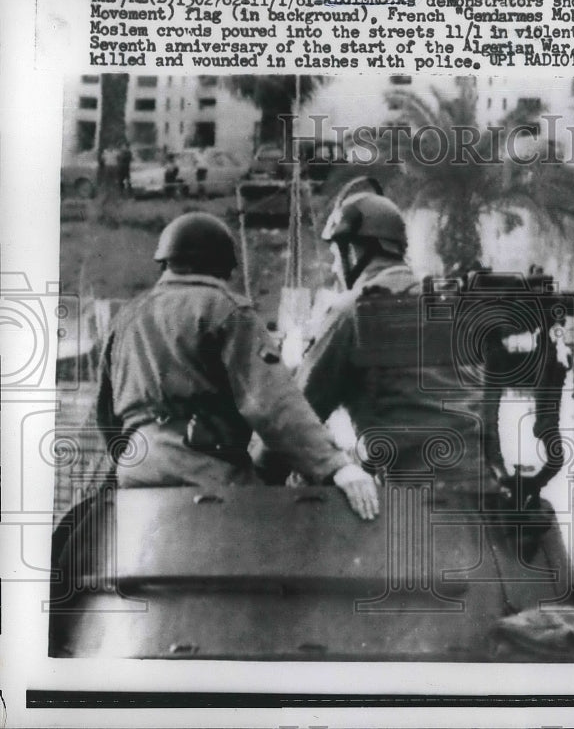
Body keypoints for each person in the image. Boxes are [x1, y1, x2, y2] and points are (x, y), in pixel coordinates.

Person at [92, 211, 378, 518]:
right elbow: (273, 402)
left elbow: (107, 416)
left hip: (135, 476)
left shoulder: (126, 318)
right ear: (223, 267)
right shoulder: (227, 312)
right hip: (208, 477)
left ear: (165, 262)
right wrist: (336, 466)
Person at [296, 184, 506, 498]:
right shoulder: (450, 308)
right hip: (479, 499)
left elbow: (298, 414)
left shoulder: (353, 312)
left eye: (334, 257)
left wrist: (254, 474)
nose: (334, 267)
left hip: (409, 505)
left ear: (352, 251)